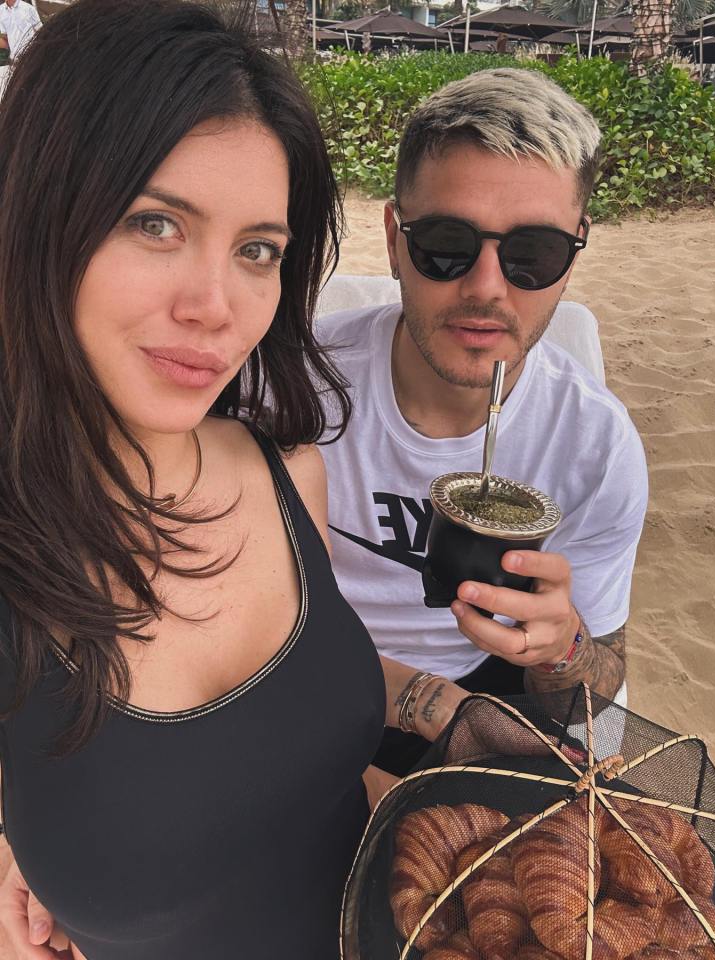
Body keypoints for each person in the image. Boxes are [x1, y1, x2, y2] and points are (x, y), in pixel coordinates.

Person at [0, 0, 474, 957]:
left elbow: (289, 702)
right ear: (40, 212)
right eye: (155, 223)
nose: (216, 307)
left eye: (258, 249)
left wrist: (460, 716)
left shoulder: (286, 471)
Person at [316, 67, 649, 776]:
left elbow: (599, 691)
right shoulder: (300, 392)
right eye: (445, 243)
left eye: (533, 254)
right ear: (394, 236)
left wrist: (561, 649)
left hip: (491, 695)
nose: (486, 288)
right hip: (304, 689)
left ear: (575, 250)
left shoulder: (594, 443)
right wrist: (431, 708)